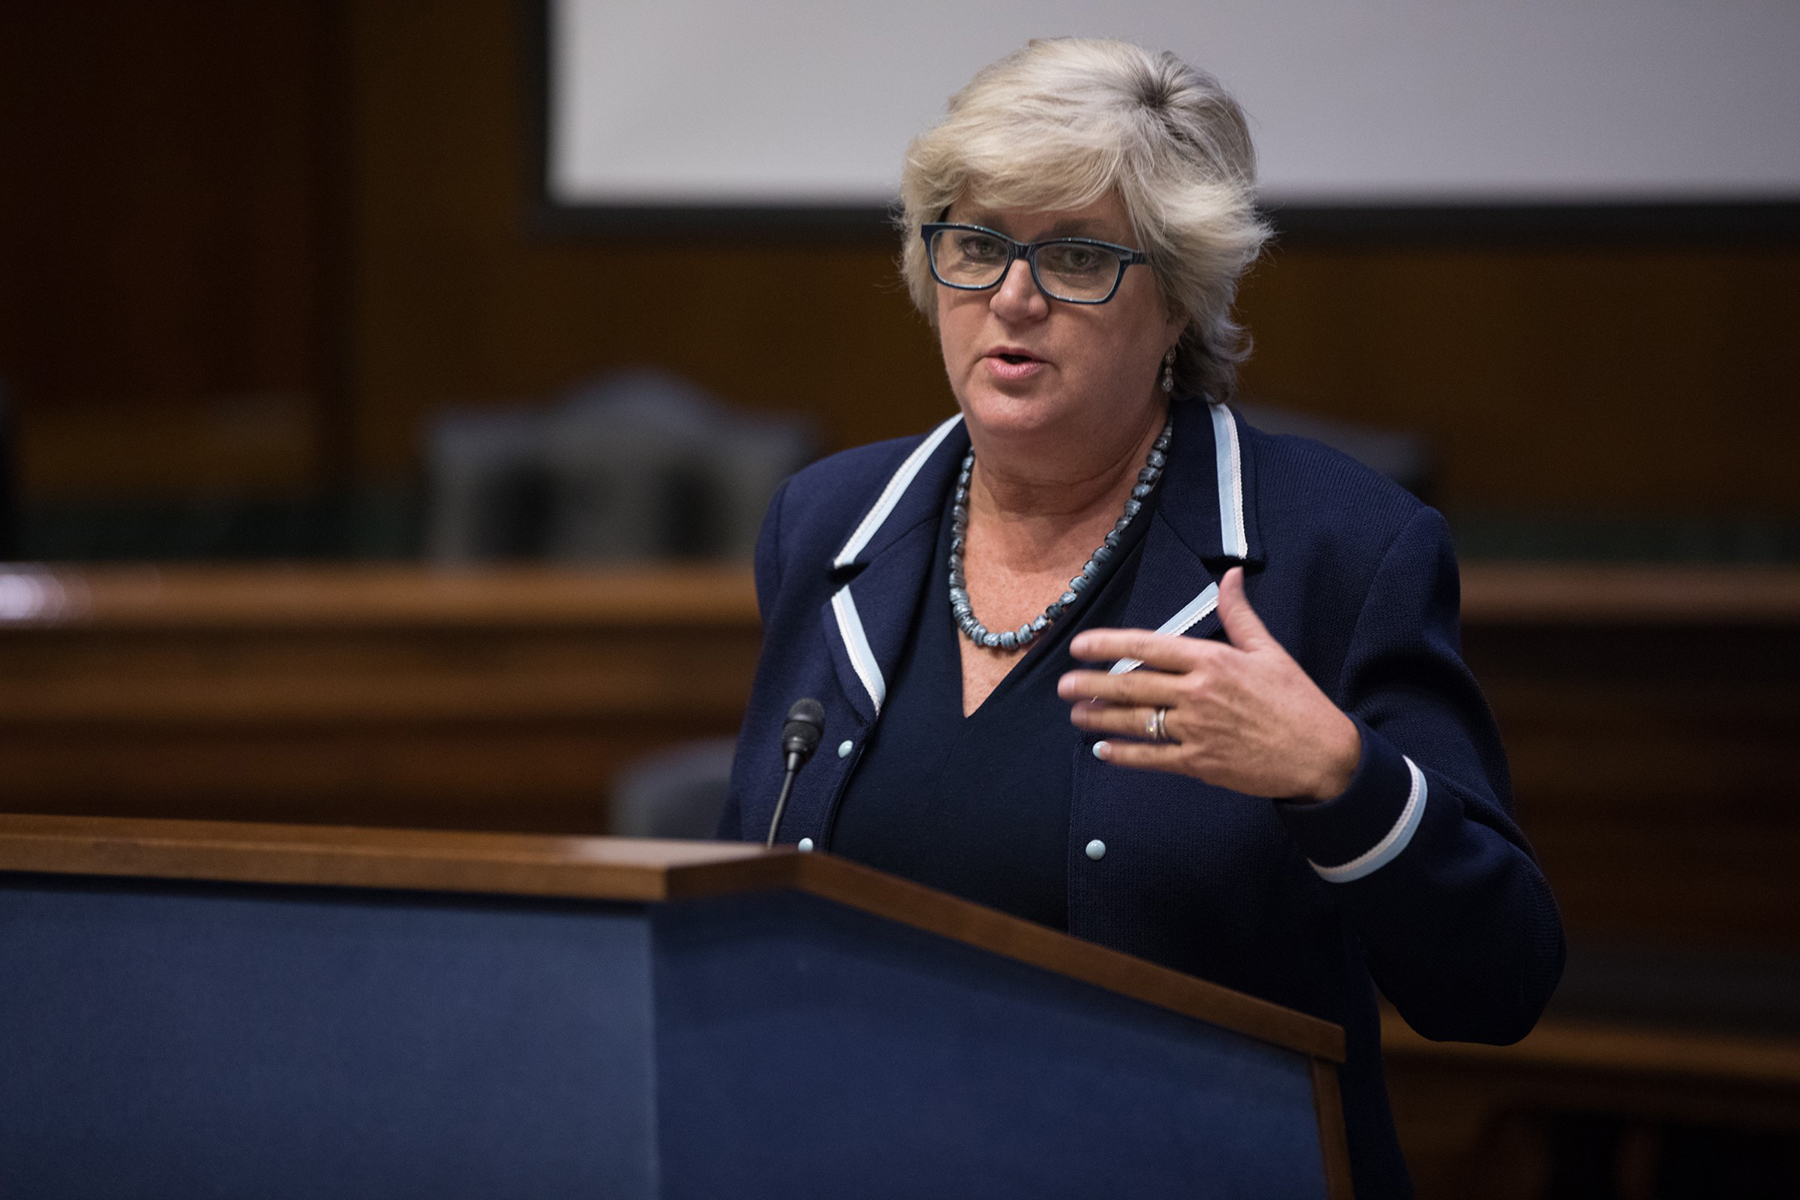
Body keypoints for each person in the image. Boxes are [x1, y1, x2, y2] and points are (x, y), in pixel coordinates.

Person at [718, 37, 1563, 1198]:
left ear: (1176, 297)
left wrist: (1338, 776)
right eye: (975, 245)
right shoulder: (829, 525)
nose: (1011, 298)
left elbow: (1501, 983)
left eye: (1073, 257)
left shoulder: (1338, 552)